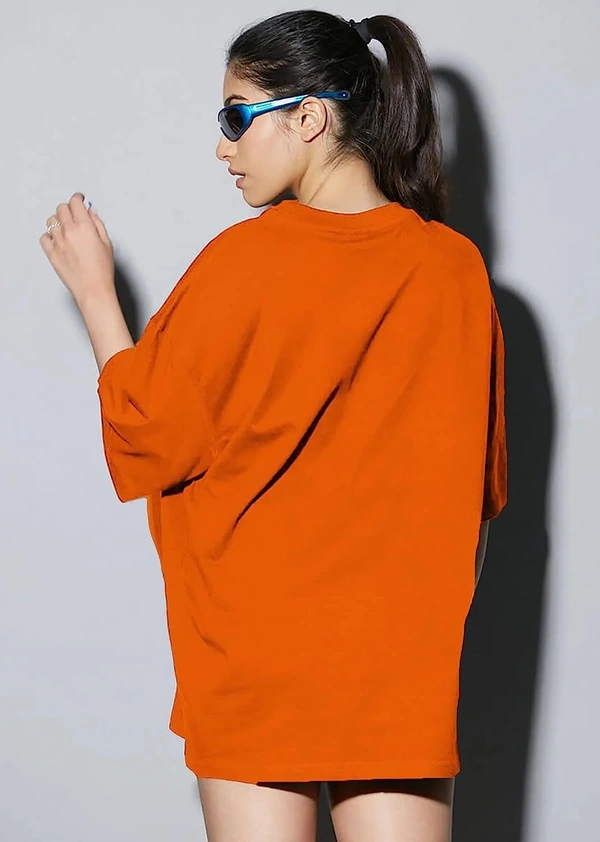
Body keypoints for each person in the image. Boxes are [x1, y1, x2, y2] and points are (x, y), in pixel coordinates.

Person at [39, 9, 507, 842]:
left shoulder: (245, 262)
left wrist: (94, 291)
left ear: (310, 117)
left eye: (235, 117)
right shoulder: (455, 271)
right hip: (398, 670)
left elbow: (146, 431)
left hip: (255, 661)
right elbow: (477, 497)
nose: (223, 148)